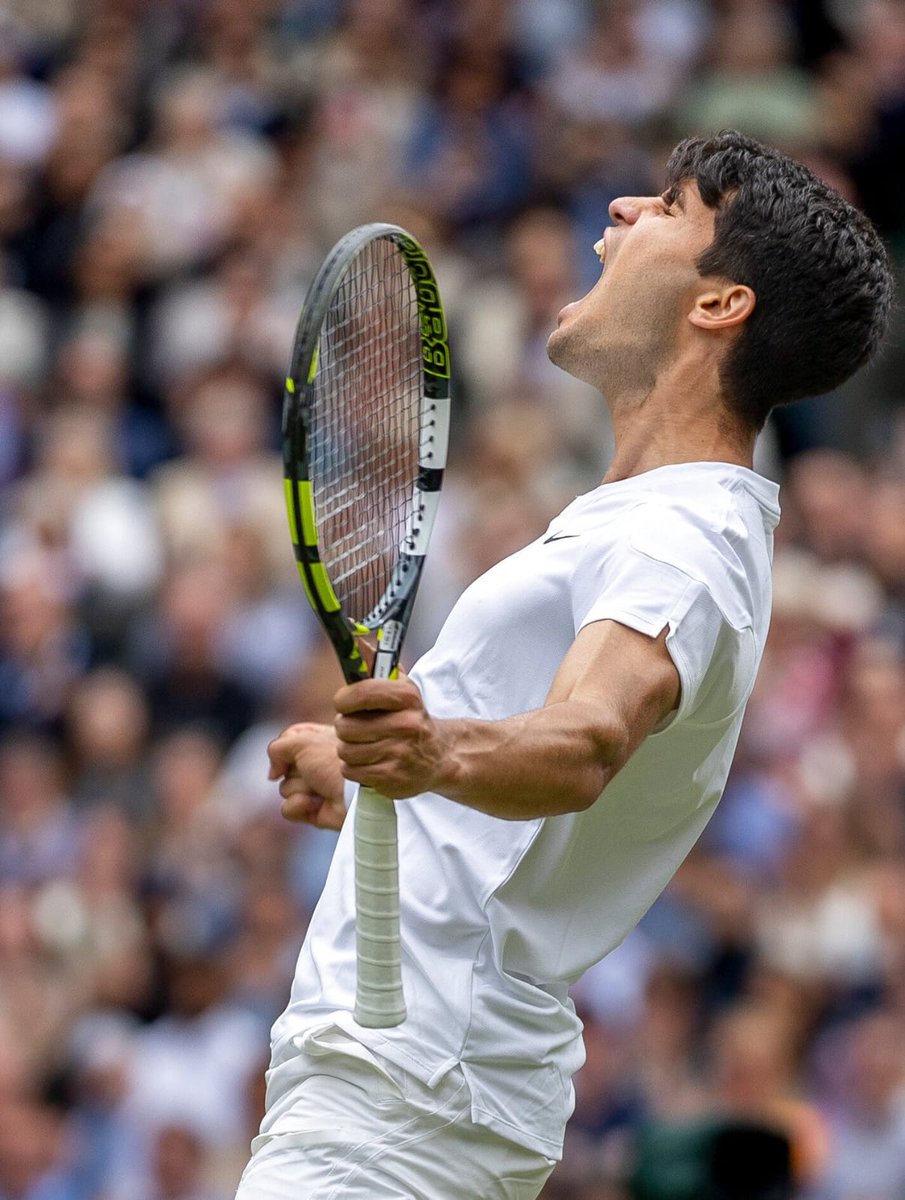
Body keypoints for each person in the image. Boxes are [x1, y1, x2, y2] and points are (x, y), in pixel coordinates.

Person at [235, 131, 893, 1199]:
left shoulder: (682, 537)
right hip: (408, 1091)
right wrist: (374, 776)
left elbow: (587, 740)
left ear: (717, 305)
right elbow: (529, 794)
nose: (622, 210)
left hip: (402, 1100)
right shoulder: (654, 523)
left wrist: (431, 748)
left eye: (669, 207)